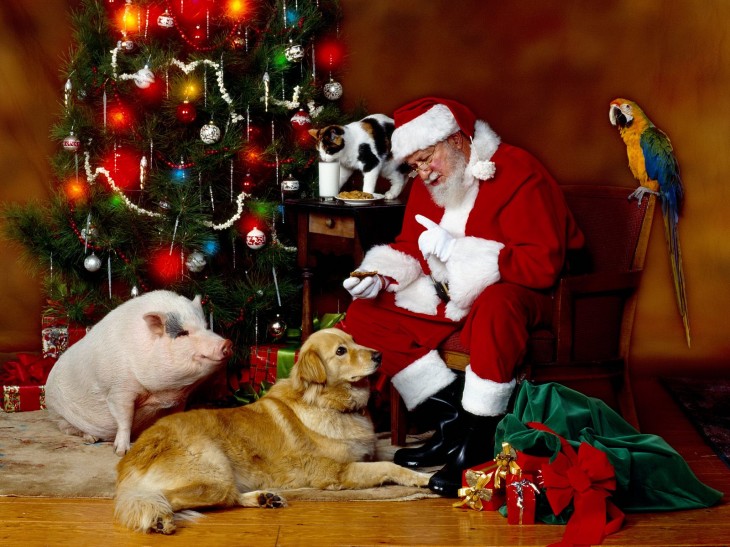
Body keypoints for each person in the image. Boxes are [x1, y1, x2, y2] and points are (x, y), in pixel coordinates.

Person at [338, 97, 585, 497]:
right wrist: (377, 276)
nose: (422, 174)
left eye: (426, 159)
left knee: (495, 307)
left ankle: (480, 437)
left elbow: (541, 266)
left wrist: (460, 252)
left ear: (454, 139)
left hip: (525, 291)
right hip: (451, 294)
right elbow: (411, 247)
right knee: (366, 313)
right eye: (414, 166)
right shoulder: (431, 181)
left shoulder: (520, 171)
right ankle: (454, 422)